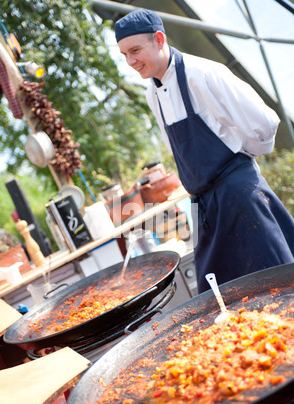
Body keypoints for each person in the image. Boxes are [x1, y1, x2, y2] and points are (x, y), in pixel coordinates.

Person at [115, 9, 294, 293]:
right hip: (202, 207)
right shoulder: (152, 93)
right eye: (124, 53)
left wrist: (239, 165)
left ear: (159, 40)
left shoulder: (204, 73)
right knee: (218, 299)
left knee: (279, 287)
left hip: (240, 196)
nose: (131, 61)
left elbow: (265, 123)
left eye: (135, 50)